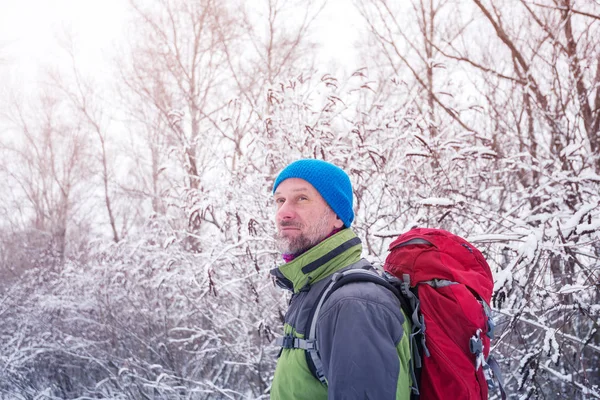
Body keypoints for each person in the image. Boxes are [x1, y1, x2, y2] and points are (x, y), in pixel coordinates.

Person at [269, 159, 411, 400]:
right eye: (280, 200)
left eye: (301, 198)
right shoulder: (313, 288)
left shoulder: (354, 303)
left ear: (336, 214)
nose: (283, 212)